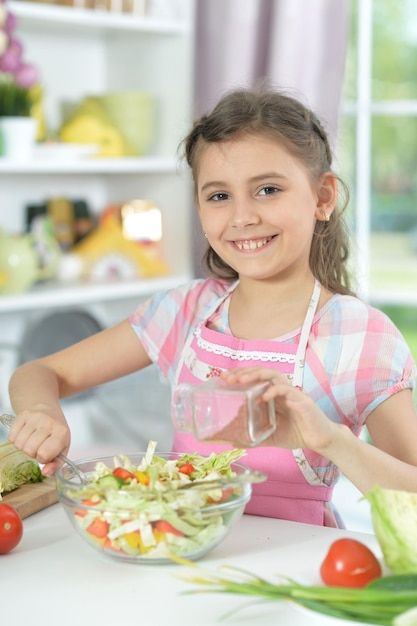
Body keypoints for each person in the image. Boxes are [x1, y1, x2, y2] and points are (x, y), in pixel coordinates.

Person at [7, 86, 417, 527]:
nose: (242, 216)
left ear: (322, 197)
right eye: (219, 196)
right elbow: (39, 373)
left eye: (267, 189)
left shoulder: (360, 337)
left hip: (297, 569)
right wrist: (44, 412)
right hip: (182, 552)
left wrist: (334, 442)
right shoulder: (184, 312)